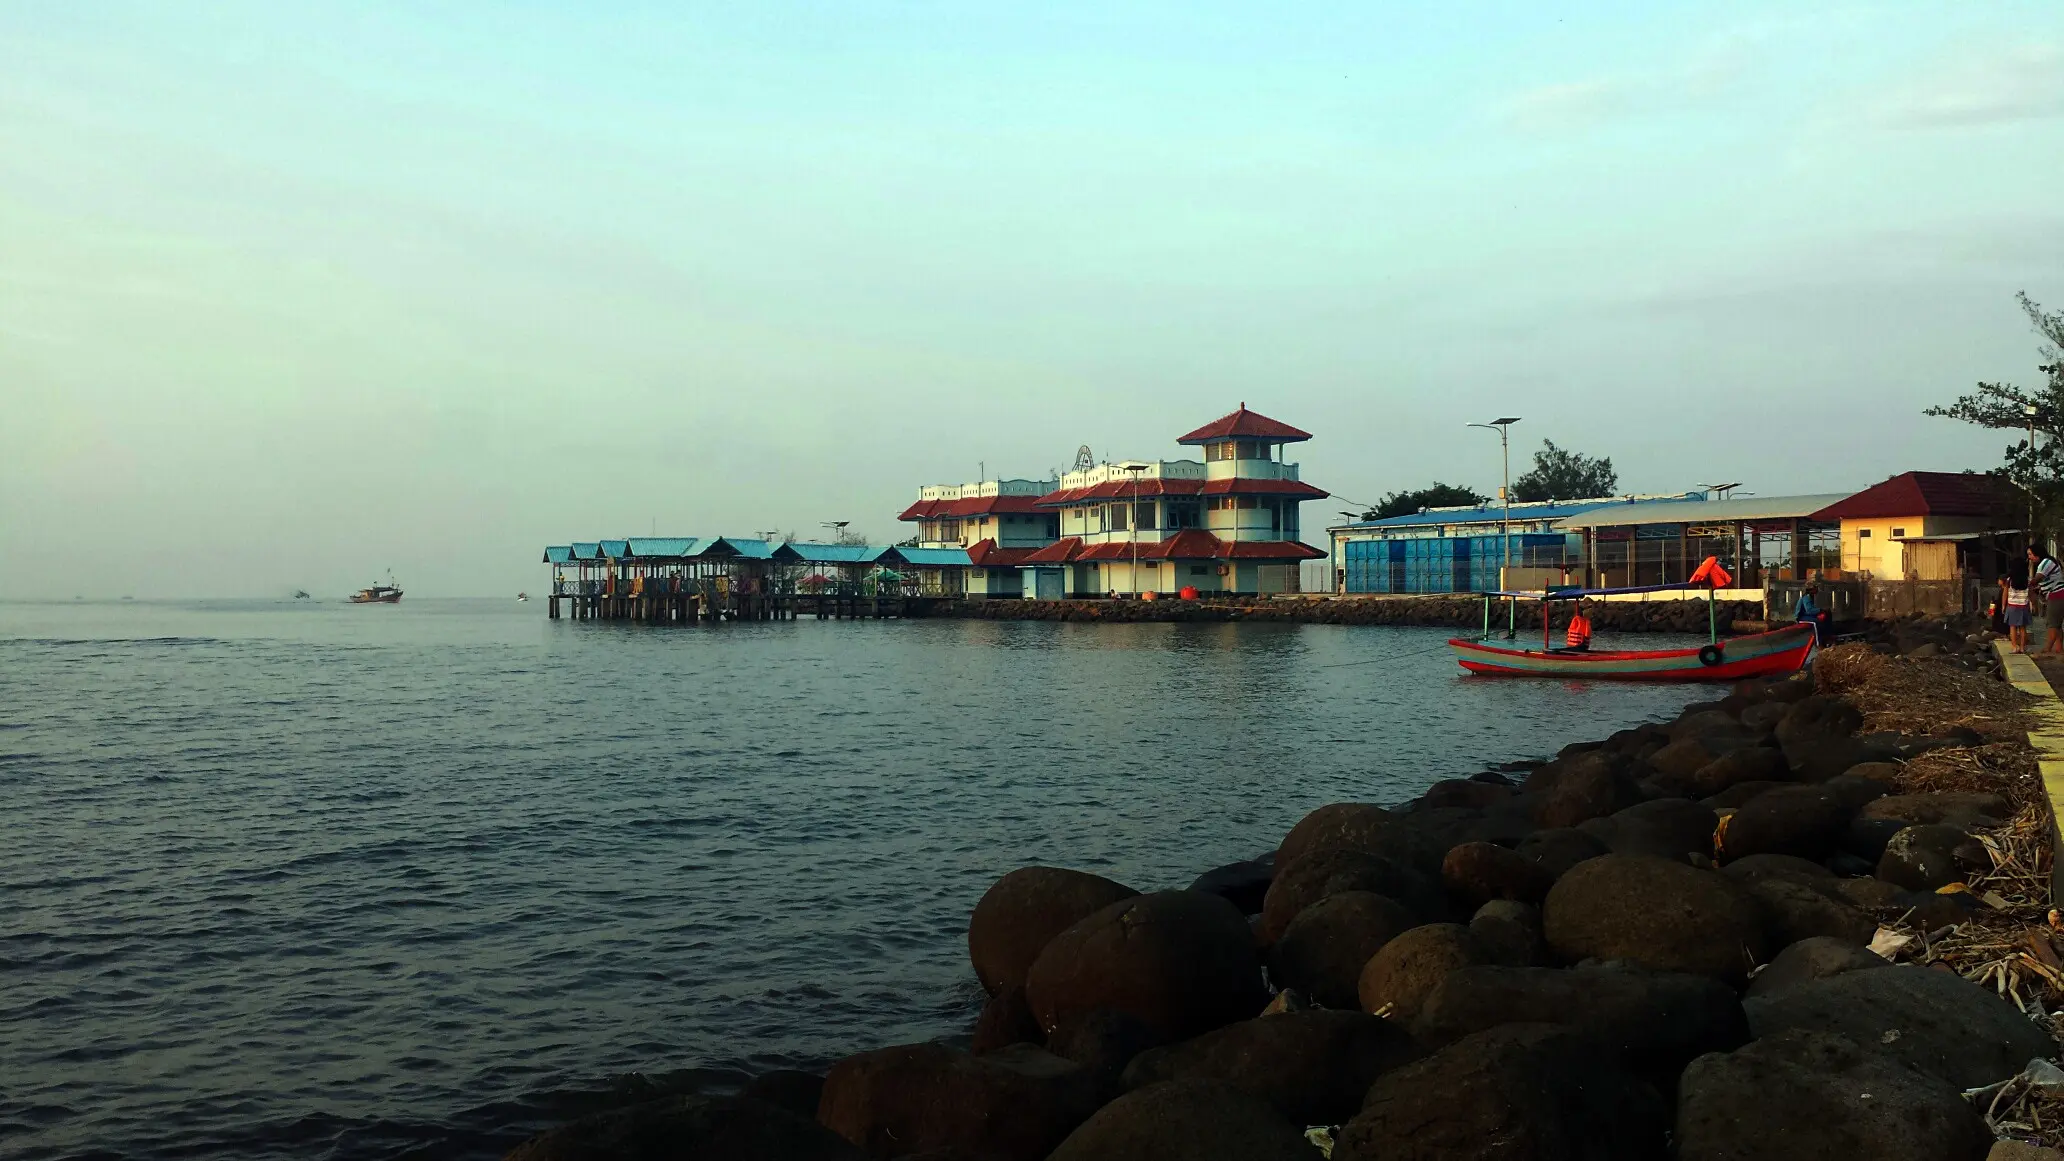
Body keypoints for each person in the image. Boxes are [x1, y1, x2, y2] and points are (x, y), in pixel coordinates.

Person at [2032, 547, 2064, 654]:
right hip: (2056, 594)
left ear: (2037, 554)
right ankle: (2059, 649)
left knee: (2052, 623)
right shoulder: (2049, 562)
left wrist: (2027, 584)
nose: (2029, 557)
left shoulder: (2046, 562)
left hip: (2057, 594)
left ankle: (2047, 649)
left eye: (2030, 554)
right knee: (2057, 624)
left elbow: (2038, 578)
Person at [2005, 566, 2033, 653]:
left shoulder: (2009, 580)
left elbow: (2005, 593)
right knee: (2022, 628)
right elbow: (2031, 594)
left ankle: (2014, 647)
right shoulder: (2028, 580)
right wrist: (2033, 604)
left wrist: (2003, 605)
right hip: (2024, 606)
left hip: (2012, 606)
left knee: (2012, 627)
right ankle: (2022, 647)